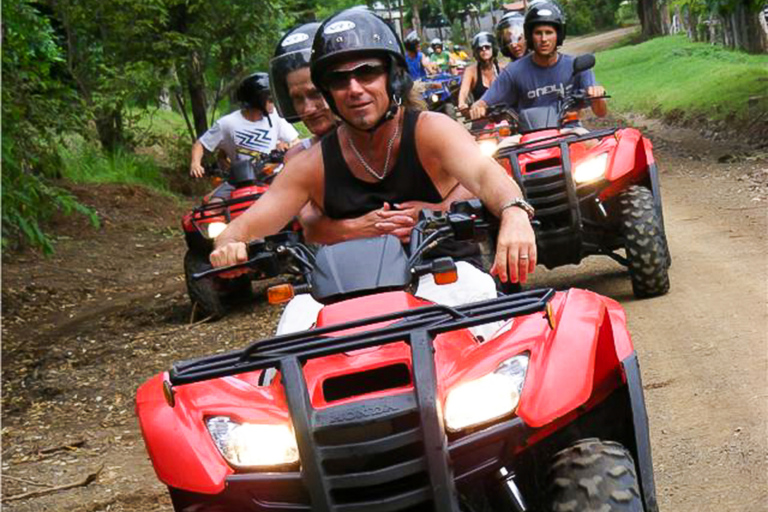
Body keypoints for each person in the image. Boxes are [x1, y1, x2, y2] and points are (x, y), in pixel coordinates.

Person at [213, 8, 536, 286]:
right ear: (329, 92)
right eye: (339, 80)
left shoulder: (430, 131)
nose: (354, 89)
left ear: (392, 78)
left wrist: (514, 212)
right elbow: (249, 225)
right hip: (349, 298)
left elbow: (484, 175)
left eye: (366, 72)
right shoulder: (312, 163)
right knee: (291, 335)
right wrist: (228, 245)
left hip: (446, 277)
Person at [470, 2, 607, 121]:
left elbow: (601, 113)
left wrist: (597, 95)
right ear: (529, 36)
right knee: (496, 151)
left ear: (558, 36)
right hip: (527, 138)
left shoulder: (577, 66)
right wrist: (478, 106)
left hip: (571, 131)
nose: (543, 39)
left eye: (549, 32)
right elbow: (485, 101)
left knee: (599, 147)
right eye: (538, 33)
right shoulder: (513, 71)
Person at [189, 72, 299, 184]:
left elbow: (296, 141)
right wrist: (195, 164)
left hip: (274, 178)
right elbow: (200, 144)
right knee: (213, 201)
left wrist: (289, 148)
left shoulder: (276, 117)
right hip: (241, 181)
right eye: (270, 99)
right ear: (256, 100)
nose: (274, 103)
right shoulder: (227, 123)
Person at [458, 32, 501, 112]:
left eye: (487, 47)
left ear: (493, 48)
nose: (484, 50)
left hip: (504, 114)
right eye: (480, 48)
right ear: (476, 52)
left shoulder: (503, 68)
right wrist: (462, 103)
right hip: (480, 115)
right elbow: (464, 90)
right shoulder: (471, 71)